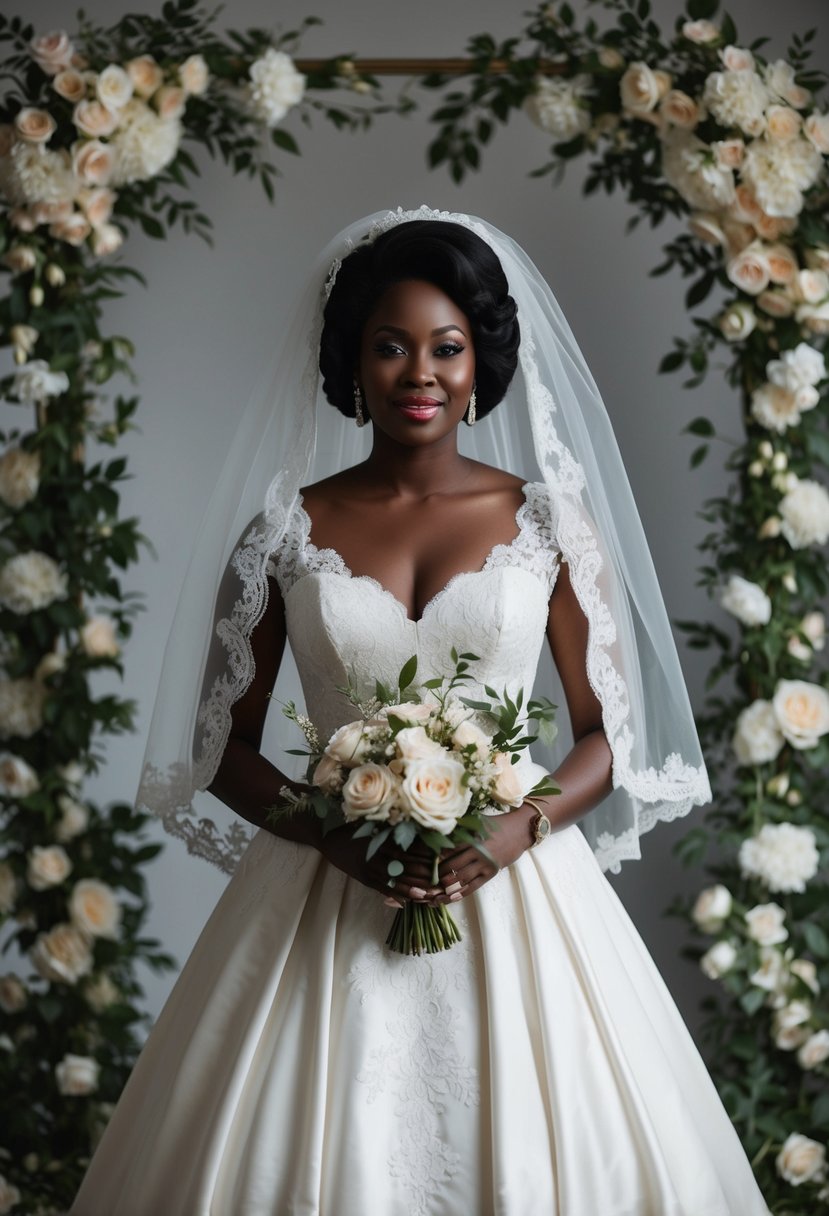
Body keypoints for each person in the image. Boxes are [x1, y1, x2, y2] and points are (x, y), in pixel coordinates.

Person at [71, 208, 771, 1215]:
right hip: (325, 883)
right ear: (353, 361)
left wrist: (508, 830)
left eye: (446, 347)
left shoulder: (548, 526)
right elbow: (218, 745)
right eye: (390, 346)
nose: (419, 373)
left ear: (481, 360)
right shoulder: (281, 533)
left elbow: (608, 732)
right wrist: (334, 835)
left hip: (517, 878)